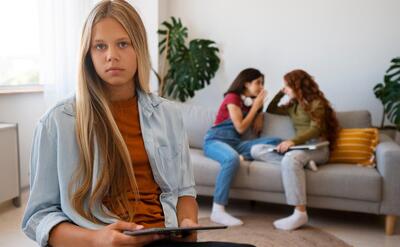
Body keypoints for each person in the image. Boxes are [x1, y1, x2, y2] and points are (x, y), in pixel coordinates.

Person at [21, 1, 254, 247]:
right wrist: (96, 239)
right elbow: (38, 217)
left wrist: (187, 223)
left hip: (163, 238)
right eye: (100, 46)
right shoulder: (56, 122)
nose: (111, 55)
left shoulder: (169, 115)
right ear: (87, 54)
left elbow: (185, 191)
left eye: (123, 43)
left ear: (139, 48)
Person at [251, 69, 340, 231]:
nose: (285, 88)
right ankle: (305, 164)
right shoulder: (292, 106)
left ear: (297, 86)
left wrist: (292, 141)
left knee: (291, 159)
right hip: (299, 149)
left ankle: (300, 213)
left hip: (318, 147)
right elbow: (271, 110)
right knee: (256, 150)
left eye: (287, 85)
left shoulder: (317, 103)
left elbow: (315, 129)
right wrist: (280, 93)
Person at [203, 68, 281, 226]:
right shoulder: (232, 98)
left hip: (236, 144)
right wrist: (255, 107)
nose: (261, 86)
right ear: (246, 83)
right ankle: (218, 210)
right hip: (215, 140)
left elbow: (255, 128)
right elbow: (240, 127)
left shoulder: (249, 103)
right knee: (231, 159)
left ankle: (301, 155)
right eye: (258, 82)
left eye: (262, 83)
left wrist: (260, 112)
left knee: (276, 140)